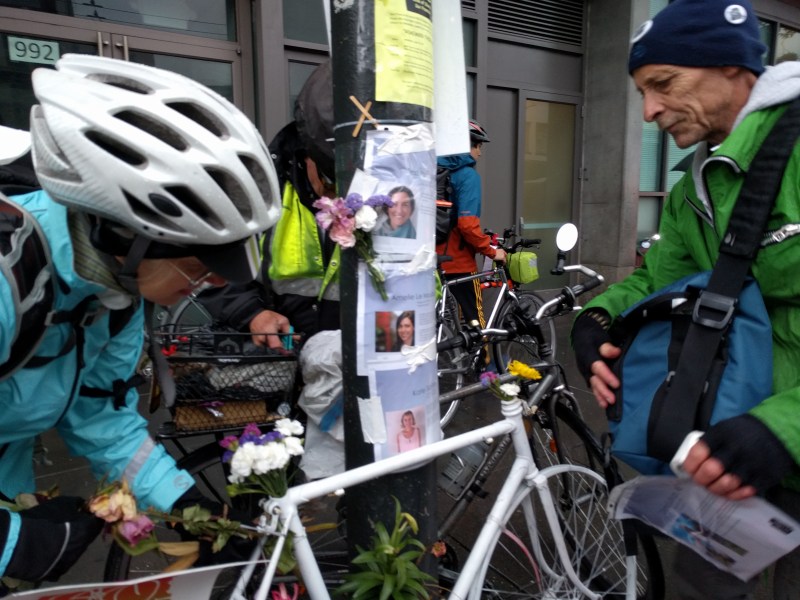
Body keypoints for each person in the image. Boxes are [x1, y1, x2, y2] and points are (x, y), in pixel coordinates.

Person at [0, 54, 280, 585]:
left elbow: (100, 421)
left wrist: (194, 510)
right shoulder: (6, 278)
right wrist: (11, 544)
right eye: (199, 264)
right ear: (120, 236)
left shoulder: (116, 297)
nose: (213, 286)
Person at [570, 1, 800, 597]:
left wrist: (783, 429)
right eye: (643, 92)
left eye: (663, 85)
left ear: (730, 66)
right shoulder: (694, 183)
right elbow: (659, 279)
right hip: (728, 447)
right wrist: (597, 317)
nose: (649, 112)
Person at [196, 60, 339, 344]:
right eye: (329, 180)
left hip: (357, 363)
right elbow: (211, 270)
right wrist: (252, 314)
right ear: (305, 152)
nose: (337, 197)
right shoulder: (259, 192)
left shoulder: (387, 198)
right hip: (282, 354)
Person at [436, 120, 507, 330]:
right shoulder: (467, 176)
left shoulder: (431, 170)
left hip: (432, 261)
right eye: (478, 146)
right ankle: (483, 361)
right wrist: (492, 251)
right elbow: (467, 226)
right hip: (460, 265)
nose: (480, 153)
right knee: (474, 325)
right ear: (468, 145)